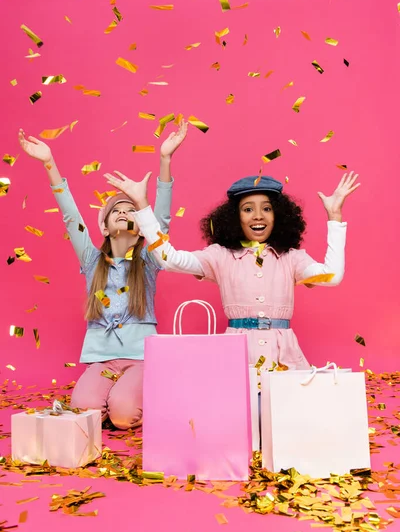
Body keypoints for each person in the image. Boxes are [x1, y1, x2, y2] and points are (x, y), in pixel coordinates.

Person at [18, 122, 188, 428]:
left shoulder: (150, 261)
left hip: (141, 358)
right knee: (85, 412)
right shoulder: (91, 259)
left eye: (131, 210)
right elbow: (71, 217)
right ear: (104, 227)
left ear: (141, 231)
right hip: (102, 360)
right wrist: (49, 164)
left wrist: (165, 161)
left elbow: (161, 219)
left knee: (122, 416)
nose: (124, 212)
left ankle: (138, 396)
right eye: (116, 210)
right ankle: (116, 396)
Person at [103, 169, 360, 369]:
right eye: (248, 209)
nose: (258, 216)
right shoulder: (220, 256)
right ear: (235, 218)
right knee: (240, 419)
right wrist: (142, 206)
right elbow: (169, 259)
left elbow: (332, 276)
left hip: (285, 355)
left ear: (279, 216)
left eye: (267, 209)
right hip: (237, 352)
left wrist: (335, 217)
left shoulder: (292, 258)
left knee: (285, 421)